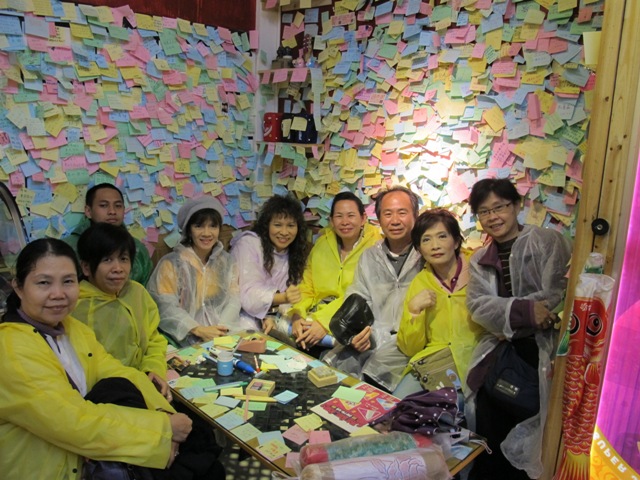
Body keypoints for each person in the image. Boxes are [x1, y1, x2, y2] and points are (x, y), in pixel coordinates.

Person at [0, 238, 192, 479]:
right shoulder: (10, 349)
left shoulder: (71, 328)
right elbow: (72, 421)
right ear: (18, 287)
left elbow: (119, 372)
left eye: (68, 281)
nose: (58, 294)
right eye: (44, 283)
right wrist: (162, 430)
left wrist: (164, 413)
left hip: (92, 460)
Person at [465, 178, 572, 479]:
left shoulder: (547, 242)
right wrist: (525, 312)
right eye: (484, 212)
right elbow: (479, 307)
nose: (493, 217)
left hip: (543, 352)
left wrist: (508, 315)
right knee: (491, 434)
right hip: (501, 354)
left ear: (517, 206)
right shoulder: (480, 259)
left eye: (499, 207)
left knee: (536, 436)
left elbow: (557, 294)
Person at [323, 186, 424, 392]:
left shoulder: (426, 255)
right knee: (332, 375)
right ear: (378, 219)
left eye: (402, 212)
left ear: (415, 215)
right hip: (373, 336)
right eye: (387, 214)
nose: (394, 220)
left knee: (375, 384)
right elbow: (358, 296)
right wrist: (359, 332)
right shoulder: (370, 256)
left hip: (412, 343)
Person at [73, 222, 171, 401]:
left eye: (124, 259)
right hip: (107, 395)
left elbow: (154, 339)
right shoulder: (76, 307)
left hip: (146, 382)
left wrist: (153, 369)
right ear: (86, 267)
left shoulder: (136, 292)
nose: (118, 268)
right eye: (107, 260)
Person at [394, 209, 483, 399]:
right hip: (435, 363)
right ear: (419, 249)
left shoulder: (478, 272)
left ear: (456, 241)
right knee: (396, 405)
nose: (435, 246)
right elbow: (409, 348)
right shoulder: (420, 282)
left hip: (477, 361)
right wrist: (413, 311)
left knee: (459, 408)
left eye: (442, 236)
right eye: (426, 239)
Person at [288, 191, 381, 351]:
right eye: (339, 216)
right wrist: (297, 314)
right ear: (331, 220)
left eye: (351, 215)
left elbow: (362, 296)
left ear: (363, 219)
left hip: (351, 322)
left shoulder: (375, 249)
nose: (345, 222)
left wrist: (324, 322)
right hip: (314, 318)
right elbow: (307, 286)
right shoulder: (322, 245)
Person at [148, 196, 241, 346]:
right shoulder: (171, 264)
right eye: (199, 226)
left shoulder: (226, 262)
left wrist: (220, 330)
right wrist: (197, 329)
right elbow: (165, 307)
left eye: (213, 226)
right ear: (189, 230)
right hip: (184, 337)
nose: (207, 233)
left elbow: (234, 299)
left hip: (223, 333)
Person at [230, 194, 308, 333]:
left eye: (290, 225)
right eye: (277, 225)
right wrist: (282, 298)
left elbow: (293, 295)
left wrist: (271, 314)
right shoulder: (249, 244)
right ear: (266, 225)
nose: (284, 232)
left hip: (275, 316)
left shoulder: (294, 252)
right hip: (240, 315)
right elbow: (248, 294)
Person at [64, 183, 153, 285]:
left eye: (118, 206)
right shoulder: (68, 248)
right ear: (88, 211)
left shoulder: (138, 248)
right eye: (103, 205)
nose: (112, 211)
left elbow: (146, 289)